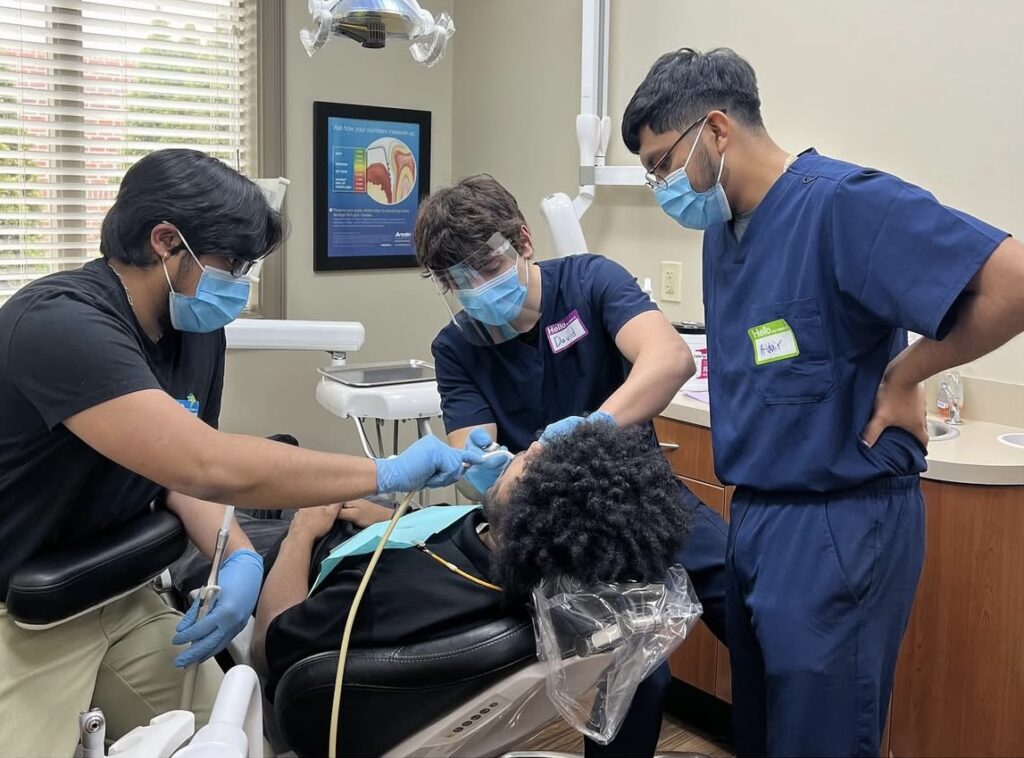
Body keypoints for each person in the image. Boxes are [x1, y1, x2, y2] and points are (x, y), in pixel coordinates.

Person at [0, 149, 480, 757]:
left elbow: (185, 481)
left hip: (121, 595)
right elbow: (207, 461)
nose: (241, 282)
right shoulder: (60, 325)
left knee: (237, 738)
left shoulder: (198, 333)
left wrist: (239, 558)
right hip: (22, 619)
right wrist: (382, 471)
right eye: (231, 263)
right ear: (167, 242)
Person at [621, 47, 1024, 756]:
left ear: (716, 129)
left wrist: (906, 374)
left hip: (840, 521)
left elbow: (1012, 281)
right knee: (765, 733)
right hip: (757, 516)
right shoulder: (723, 231)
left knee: (822, 738)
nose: (660, 186)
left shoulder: (843, 205)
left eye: (661, 164)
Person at [414, 174, 729, 757]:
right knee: (634, 668)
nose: (476, 290)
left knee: (747, 590)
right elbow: (480, 453)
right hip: (554, 528)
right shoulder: (456, 346)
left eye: (486, 266)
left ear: (524, 241)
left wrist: (593, 429)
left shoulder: (590, 281)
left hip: (641, 497)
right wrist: (484, 468)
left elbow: (669, 359)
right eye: (456, 282)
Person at [240, 421, 694, 753]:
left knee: (252, 506)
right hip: (385, 540)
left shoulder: (384, 593)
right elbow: (464, 534)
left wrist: (302, 528)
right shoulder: (548, 583)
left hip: (296, 566)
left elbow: (267, 646)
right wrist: (399, 524)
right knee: (286, 453)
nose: (528, 445)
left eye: (527, 461)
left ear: (527, 517)